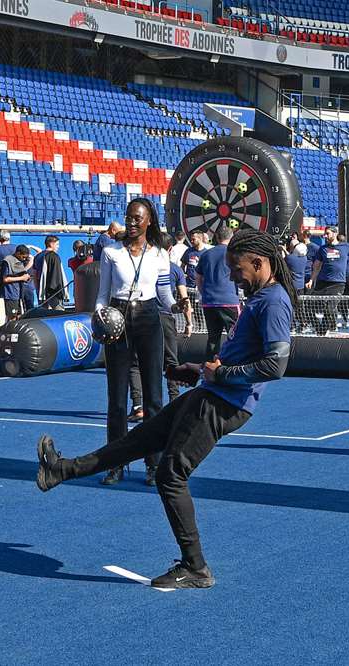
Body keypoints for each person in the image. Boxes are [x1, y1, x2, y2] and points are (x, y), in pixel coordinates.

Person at [35, 229, 295, 589]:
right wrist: (199, 371)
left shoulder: (274, 301)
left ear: (259, 262)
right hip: (212, 393)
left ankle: (195, 567)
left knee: (170, 475)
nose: (233, 275)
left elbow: (276, 365)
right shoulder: (260, 297)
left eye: (237, 268)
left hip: (223, 403)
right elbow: (244, 356)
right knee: (135, 442)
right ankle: (60, 470)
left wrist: (223, 375)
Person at [96, 198, 172, 486]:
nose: (131, 222)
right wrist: (99, 317)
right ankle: (115, 464)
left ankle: (154, 463)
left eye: (137, 218)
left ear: (149, 220)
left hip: (149, 318)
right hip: (117, 318)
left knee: (154, 397)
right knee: (116, 398)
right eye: (128, 217)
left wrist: (179, 306)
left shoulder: (159, 254)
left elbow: (164, 293)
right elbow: (103, 293)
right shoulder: (111, 251)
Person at [157, 235, 193, 405]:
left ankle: (141, 403)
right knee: (172, 360)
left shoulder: (147, 267)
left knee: (143, 361)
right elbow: (185, 300)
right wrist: (188, 323)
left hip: (145, 317)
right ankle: (174, 400)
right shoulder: (175, 270)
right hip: (166, 317)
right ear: (170, 249)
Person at [308, 226, 349, 335]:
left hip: (338, 283)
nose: (325, 236)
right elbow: (316, 266)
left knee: (330, 308)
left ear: (335, 233)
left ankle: (323, 330)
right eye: (325, 234)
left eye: (328, 233)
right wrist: (311, 280)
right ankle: (319, 327)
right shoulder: (322, 249)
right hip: (323, 282)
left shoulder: (346, 247)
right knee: (310, 305)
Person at [197, 226, 240, 358]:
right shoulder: (233, 254)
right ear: (231, 237)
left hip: (209, 302)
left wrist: (203, 293)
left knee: (212, 339)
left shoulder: (206, 254)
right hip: (229, 301)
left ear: (216, 237)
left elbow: (198, 277)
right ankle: (235, 364)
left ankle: (209, 368)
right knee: (237, 336)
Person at [0, 245, 34, 322]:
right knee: (12, 317)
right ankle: (8, 333)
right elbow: (5, 279)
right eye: (23, 257)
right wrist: (22, 278)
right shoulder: (7, 261)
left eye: (25, 258)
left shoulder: (20, 261)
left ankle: (14, 332)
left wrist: (26, 277)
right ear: (18, 253)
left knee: (19, 316)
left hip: (18, 293)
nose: (24, 259)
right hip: (10, 294)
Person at [32, 235, 67, 311]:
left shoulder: (38, 256)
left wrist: (38, 290)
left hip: (41, 290)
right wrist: (60, 292)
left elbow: (34, 274)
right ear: (51, 244)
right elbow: (57, 275)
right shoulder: (54, 256)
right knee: (59, 313)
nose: (58, 247)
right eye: (57, 244)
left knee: (44, 314)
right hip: (53, 291)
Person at [284, 235, 309, 332]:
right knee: (300, 307)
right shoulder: (304, 259)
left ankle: (292, 325)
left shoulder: (290, 259)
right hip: (300, 286)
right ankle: (303, 324)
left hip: (291, 286)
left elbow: (286, 257)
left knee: (291, 307)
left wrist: (283, 249)